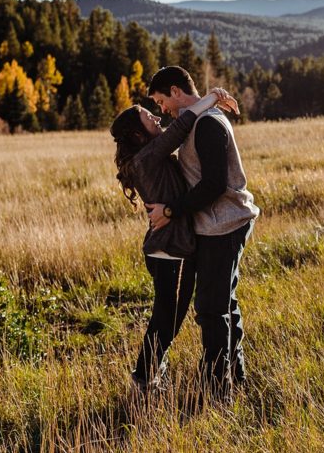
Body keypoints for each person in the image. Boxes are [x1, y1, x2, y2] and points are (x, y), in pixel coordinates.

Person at [109, 86, 239, 395]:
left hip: (169, 248)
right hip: (170, 250)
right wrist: (212, 98)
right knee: (167, 319)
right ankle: (144, 379)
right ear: (137, 134)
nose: (154, 116)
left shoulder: (148, 156)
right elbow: (180, 128)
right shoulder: (147, 156)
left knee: (167, 316)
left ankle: (150, 375)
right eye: (146, 115)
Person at [145, 65, 260, 403]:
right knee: (224, 302)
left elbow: (213, 185)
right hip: (215, 225)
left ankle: (215, 390)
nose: (161, 109)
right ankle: (234, 378)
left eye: (161, 100)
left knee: (211, 308)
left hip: (225, 225)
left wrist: (170, 211)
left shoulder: (208, 123)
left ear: (176, 92)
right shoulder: (196, 120)